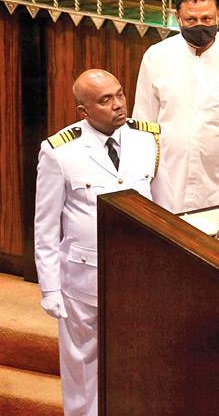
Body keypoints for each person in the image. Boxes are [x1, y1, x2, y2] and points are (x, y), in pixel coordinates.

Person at [34, 69, 159, 415]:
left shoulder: (146, 139)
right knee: (83, 370)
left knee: (137, 361)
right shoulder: (60, 151)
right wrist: (50, 289)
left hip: (137, 274)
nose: (119, 105)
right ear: (83, 110)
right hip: (83, 279)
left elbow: (157, 209)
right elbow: (45, 227)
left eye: (119, 94)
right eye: (106, 100)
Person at [132, 0, 219, 213]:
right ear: (177, 17)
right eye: (191, 19)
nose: (199, 25)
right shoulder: (156, 57)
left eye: (207, 19)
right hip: (169, 182)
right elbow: (143, 125)